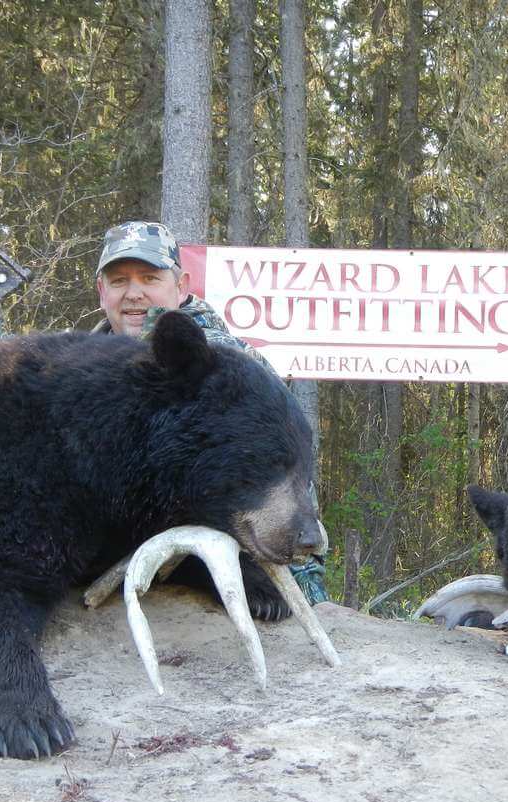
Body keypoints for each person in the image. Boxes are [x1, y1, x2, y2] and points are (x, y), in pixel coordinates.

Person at [93, 221, 330, 608]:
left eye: (150, 278)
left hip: (245, 567)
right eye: (119, 281)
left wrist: (300, 582)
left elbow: (282, 488)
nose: (134, 293)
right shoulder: (80, 367)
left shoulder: (230, 371)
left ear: (181, 285)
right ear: (102, 291)